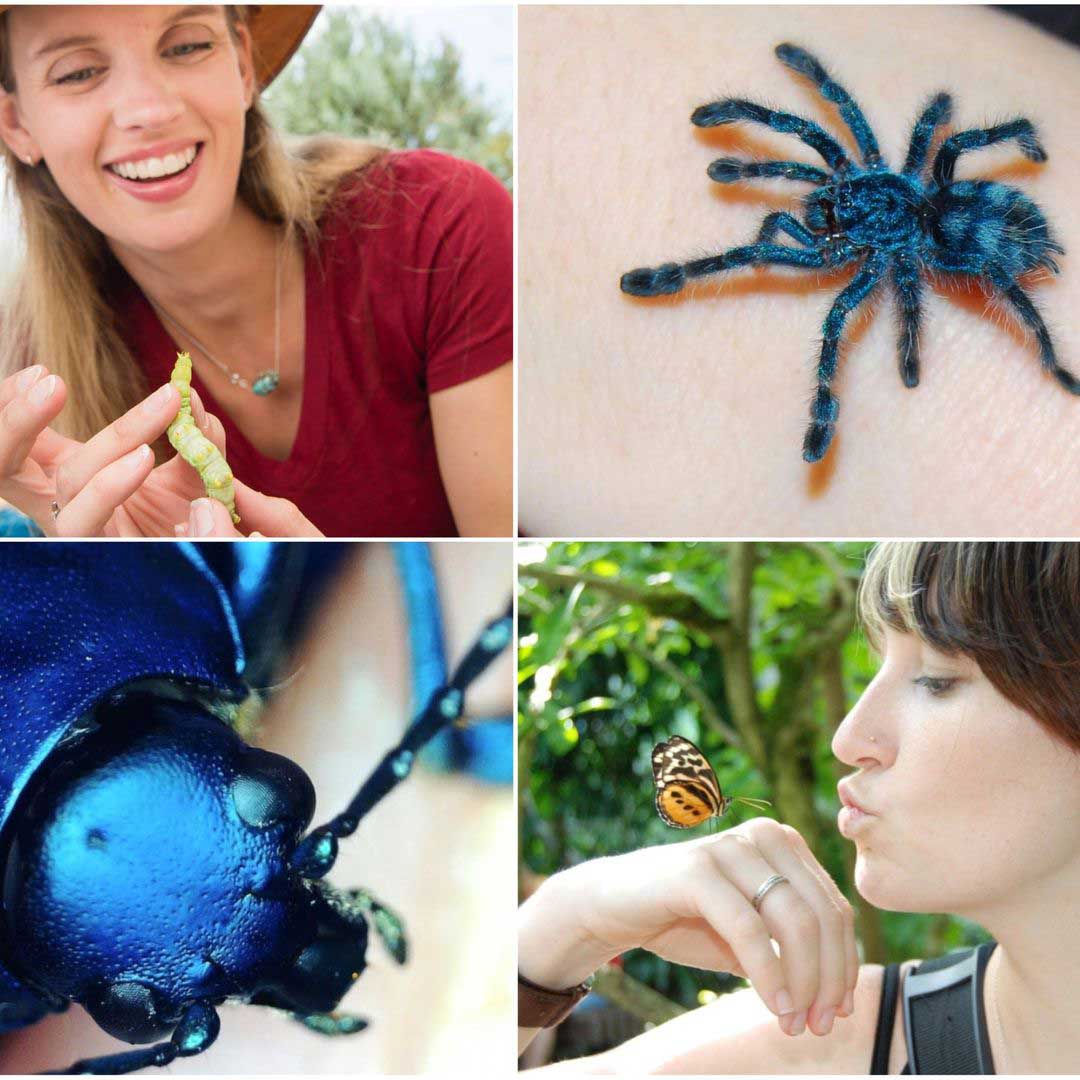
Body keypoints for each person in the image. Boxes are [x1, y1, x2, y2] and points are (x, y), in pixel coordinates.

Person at [518, 542, 1080, 1073]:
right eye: (879, 661)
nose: (849, 738)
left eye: (936, 680)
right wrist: (565, 925)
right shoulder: (818, 1046)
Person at [0, 5, 512, 537]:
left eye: (186, 46)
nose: (148, 110)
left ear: (243, 64)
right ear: (17, 124)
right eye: (78, 72)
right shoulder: (29, 389)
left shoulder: (440, 222)